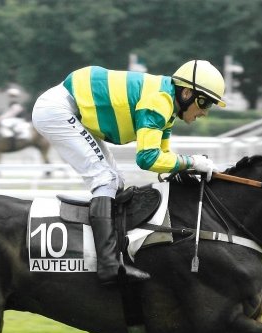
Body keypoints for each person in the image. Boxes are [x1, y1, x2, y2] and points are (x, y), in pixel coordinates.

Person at [32, 59, 226, 284]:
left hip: (70, 107)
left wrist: (188, 166)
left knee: (115, 182)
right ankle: (108, 266)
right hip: (58, 109)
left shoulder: (168, 106)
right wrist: (192, 161)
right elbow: (147, 158)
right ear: (186, 94)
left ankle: (115, 255)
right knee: (105, 180)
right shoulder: (159, 101)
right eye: (205, 102)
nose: (205, 112)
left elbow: (163, 156)